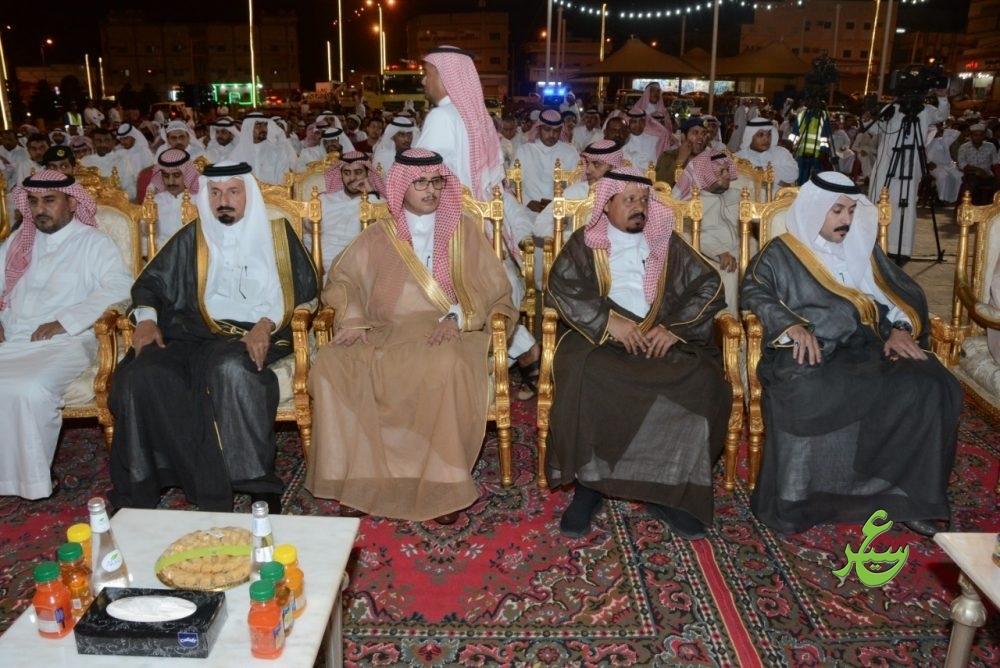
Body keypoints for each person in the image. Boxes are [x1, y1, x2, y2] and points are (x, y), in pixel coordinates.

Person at [740, 171, 961, 536]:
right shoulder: (781, 252)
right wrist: (790, 325)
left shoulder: (863, 248)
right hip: (817, 347)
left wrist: (900, 329)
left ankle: (909, 498)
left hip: (872, 344)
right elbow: (754, 291)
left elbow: (894, 296)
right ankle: (798, 499)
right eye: (837, 211)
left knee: (933, 385)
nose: (846, 220)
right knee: (804, 391)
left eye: (851, 211)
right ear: (815, 210)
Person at [305, 148, 517, 523]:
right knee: (332, 364)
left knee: (445, 365)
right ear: (401, 186)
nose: (430, 190)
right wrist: (353, 319)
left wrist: (457, 316)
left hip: (446, 327)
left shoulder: (462, 231)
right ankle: (361, 478)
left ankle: (442, 480)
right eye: (420, 183)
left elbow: (492, 287)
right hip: (384, 328)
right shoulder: (379, 234)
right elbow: (343, 279)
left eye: (436, 182)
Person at [108, 162, 318, 513]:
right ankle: (153, 476)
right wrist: (145, 320)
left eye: (233, 192)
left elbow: (305, 290)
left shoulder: (278, 236)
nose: (224, 201)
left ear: (248, 195)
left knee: (230, 370)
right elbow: (151, 284)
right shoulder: (192, 237)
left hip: (253, 333)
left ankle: (255, 479)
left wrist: (265, 325)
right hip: (189, 332)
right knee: (140, 374)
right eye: (215, 193)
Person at [545, 168, 730, 540]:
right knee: (590, 375)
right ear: (607, 204)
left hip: (657, 335)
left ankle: (667, 489)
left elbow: (708, 284)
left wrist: (673, 328)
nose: (639, 207)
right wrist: (606, 322)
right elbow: (560, 285)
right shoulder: (586, 243)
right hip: (600, 340)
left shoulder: (666, 241)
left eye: (644, 200)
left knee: (701, 379)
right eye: (629, 200)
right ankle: (590, 485)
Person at [416, 45, 540, 397]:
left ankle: (464, 372)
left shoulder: (441, 117)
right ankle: (523, 352)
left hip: (448, 225)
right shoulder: (476, 116)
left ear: (446, 76)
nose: (424, 81)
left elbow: (417, 172)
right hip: (479, 226)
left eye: (428, 74)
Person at [0, 171, 132, 499]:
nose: (39, 209)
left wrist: (65, 321)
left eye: (49, 200)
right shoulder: (17, 243)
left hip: (67, 341)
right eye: (33, 201)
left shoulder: (94, 243)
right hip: (12, 338)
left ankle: (31, 479)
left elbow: (120, 287)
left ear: (72, 203)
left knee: (30, 388)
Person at [868, 88, 949, 257]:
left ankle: (901, 248)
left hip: (911, 163)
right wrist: (871, 115)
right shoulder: (891, 108)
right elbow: (874, 129)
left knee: (905, 203)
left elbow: (942, 116)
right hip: (886, 163)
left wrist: (942, 98)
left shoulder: (926, 110)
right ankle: (874, 242)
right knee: (881, 199)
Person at [673, 119, 742, 311]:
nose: (727, 176)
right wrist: (719, 251)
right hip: (709, 255)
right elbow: (688, 234)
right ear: (704, 176)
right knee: (730, 272)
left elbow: (751, 229)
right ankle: (729, 324)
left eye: (727, 170)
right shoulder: (692, 202)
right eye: (721, 172)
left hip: (740, 249)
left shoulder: (736, 195)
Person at [314, 151, 385, 274]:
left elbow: (382, 234)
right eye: (347, 173)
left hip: (360, 264)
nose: (352, 178)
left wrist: (371, 194)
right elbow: (307, 230)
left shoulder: (379, 202)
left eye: (358, 172)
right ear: (340, 175)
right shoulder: (323, 200)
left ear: (368, 173)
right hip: (323, 261)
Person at [515, 108, 580, 213]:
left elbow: (577, 184)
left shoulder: (570, 152)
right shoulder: (524, 150)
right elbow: (513, 182)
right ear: (539, 128)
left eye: (556, 130)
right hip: (527, 210)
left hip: (559, 211)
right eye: (547, 129)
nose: (551, 135)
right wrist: (527, 202)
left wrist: (559, 203)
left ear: (561, 130)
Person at [146, 148, 200, 252]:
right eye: (165, 176)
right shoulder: (155, 201)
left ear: (187, 174)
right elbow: (145, 234)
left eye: (176, 175)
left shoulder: (199, 200)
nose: (170, 182)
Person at [734, 118, 799, 196]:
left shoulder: (781, 152)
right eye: (760, 135)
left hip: (780, 200)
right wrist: (778, 180)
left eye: (769, 134)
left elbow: (793, 173)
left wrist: (762, 170)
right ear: (750, 136)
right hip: (750, 200)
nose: (766, 139)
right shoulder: (739, 157)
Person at [233, 113, 297, 186]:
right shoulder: (236, 155)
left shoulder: (277, 152)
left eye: (265, 125)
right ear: (248, 128)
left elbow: (283, 180)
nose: (263, 129)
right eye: (258, 125)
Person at [957, 122, 1000, 204]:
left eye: (980, 135)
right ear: (971, 136)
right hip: (971, 175)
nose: (978, 138)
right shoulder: (964, 147)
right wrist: (978, 170)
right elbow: (962, 164)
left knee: (997, 186)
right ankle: (976, 207)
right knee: (973, 184)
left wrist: (998, 175)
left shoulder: (991, 146)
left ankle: (990, 207)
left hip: (988, 175)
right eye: (975, 135)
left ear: (984, 136)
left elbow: (995, 162)